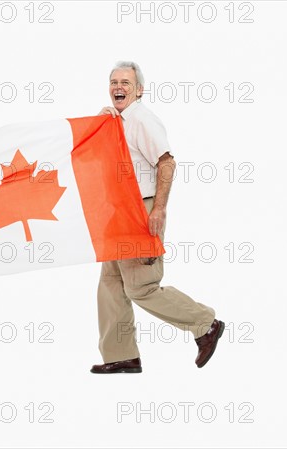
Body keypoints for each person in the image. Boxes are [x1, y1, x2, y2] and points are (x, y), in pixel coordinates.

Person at [91, 61, 224, 374]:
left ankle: (205, 323)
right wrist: (99, 122)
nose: (118, 87)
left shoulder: (142, 119)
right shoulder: (117, 120)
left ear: (140, 89)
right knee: (110, 284)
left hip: (140, 209)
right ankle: (121, 355)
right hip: (118, 210)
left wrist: (159, 209)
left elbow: (166, 163)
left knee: (141, 286)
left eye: (125, 82)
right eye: (113, 82)